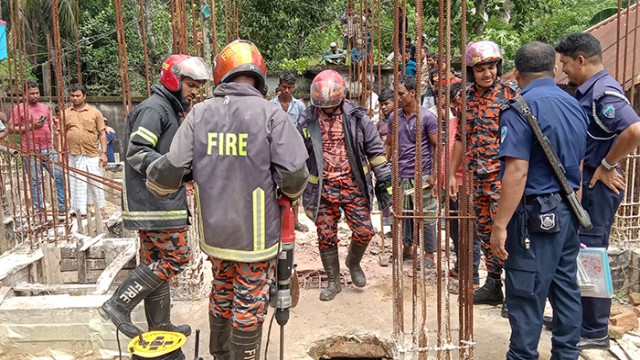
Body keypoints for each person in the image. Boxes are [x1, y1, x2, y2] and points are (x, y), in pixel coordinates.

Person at [146, 40, 308, 360]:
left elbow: (170, 169)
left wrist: (158, 186)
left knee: (222, 287)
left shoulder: (200, 114)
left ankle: (220, 354)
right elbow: (294, 174)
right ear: (259, 75)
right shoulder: (271, 114)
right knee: (249, 298)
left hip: (216, 233)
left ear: (222, 74)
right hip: (256, 234)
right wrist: (287, 195)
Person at [100, 55, 212, 339]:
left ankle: (160, 325)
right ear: (173, 79)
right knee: (176, 258)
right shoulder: (155, 109)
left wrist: (185, 171)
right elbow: (137, 151)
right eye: (190, 84)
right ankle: (118, 304)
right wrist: (171, 171)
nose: (194, 91)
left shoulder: (167, 109)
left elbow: (166, 156)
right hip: (157, 203)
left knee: (154, 263)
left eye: (197, 85)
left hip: (154, 202)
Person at [491, 41, 589, 360]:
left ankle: (522, 355)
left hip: (534, 216)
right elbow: (580, 163)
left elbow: (517, 171)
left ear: (516, 73)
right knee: (565, 288)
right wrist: (574, 205)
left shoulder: (518, 108)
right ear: (554, 69)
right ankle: (566, 354)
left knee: (525, 290)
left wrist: (500, 225)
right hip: (568, 209)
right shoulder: (574, 103)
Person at [555, 32, 640, 349]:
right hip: (589, 181)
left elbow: (634, 130)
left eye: (565, 63)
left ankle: (595, 330)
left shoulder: (604, 93)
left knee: (592, 255)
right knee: (583, 253)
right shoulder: (589, 90)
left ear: (581, 59)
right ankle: (582, 320)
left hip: (596, 184)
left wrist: (606, 164)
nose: (564, 70)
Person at [299, 69, 391, 301]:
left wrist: (384, 179)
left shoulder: (358, 119)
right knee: (325, 235)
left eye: (330, 105)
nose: (326, 110)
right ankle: (333, 280)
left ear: (341, 98)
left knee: (364, 231)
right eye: (322, 105)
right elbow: (295, 151)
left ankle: (353, 261)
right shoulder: (307, 120)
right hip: (322, 188)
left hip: (353, 185)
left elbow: (375, 150)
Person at [449, 40, 519, 313]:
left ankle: (514, 290)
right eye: (480, 69)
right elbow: (460, 137)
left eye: (491, 68)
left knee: (507, 233)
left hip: (503, 178)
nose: (487, 74)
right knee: (485, 232)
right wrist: (452, 175)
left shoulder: (510, 94)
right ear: (470, 72)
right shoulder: (464, 98)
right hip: (478, 176)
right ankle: (493, 285)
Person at [385, 75, 439, 266]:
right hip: (401, 173)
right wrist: (385, 168)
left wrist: (434, 174)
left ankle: (429, 254)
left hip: (421, 174)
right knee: (404, 213)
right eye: (396, 94)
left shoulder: (427, 118)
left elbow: (436, 147)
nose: (397, 97)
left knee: (426, 214)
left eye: (401, 93)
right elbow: (389, 143)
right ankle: (407, 249)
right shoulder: (394, 117)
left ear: (413, 92)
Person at [9, 81, 66, 219]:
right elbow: (11, 129)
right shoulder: (19, 109)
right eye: (32, 94)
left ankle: (62, 208)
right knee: (36, 182)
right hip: (30, 150)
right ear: (25, 94)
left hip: (48, 148)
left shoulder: (45, 108)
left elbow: (50, 127)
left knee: (59, 175)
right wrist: (30, 127)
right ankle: (40, 211)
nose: (35, 96)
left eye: (37, 93)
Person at [429, 82, 464, 279]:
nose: (453, 106)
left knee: (468, 232)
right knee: (453, 229)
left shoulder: (474, 124)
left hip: (466, 187)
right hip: (449, 186)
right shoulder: (451, 124)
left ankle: (472, 276)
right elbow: (443, 153)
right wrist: (438, 178)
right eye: (452, 103)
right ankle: (460, 267)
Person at [271, 71, 309, 232]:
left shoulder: (299, 106)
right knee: (273, 185)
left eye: (290, 87)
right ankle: (274, 221)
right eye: (284, 87)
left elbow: (304, 127)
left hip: (294, 150)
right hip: (275, 149)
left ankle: (295, 221)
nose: (286, 90)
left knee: (295, 185)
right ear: (279, 86)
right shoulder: (271, 105)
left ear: (293, 88)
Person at [64, 83, 108, 219]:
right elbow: (61, 134)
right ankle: (80, 211)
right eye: (72, 96)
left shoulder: (95, 113)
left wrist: (104, 153)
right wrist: (61, 152)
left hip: (92, 153)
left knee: (96, 181)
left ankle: (101, 209)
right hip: (74, 153)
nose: (75, 98)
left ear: (84, 96)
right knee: (77, 181)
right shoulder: (66, 113)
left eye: (78, 95)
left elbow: (102, 133)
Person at [377, 89, 394, 234]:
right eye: (381, 104)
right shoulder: (380, 124)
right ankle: (392, 228)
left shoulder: (400, 120)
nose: (383, 107)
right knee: (386, 196)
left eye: (386, 104)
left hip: (399, 164)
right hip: (384, 165)